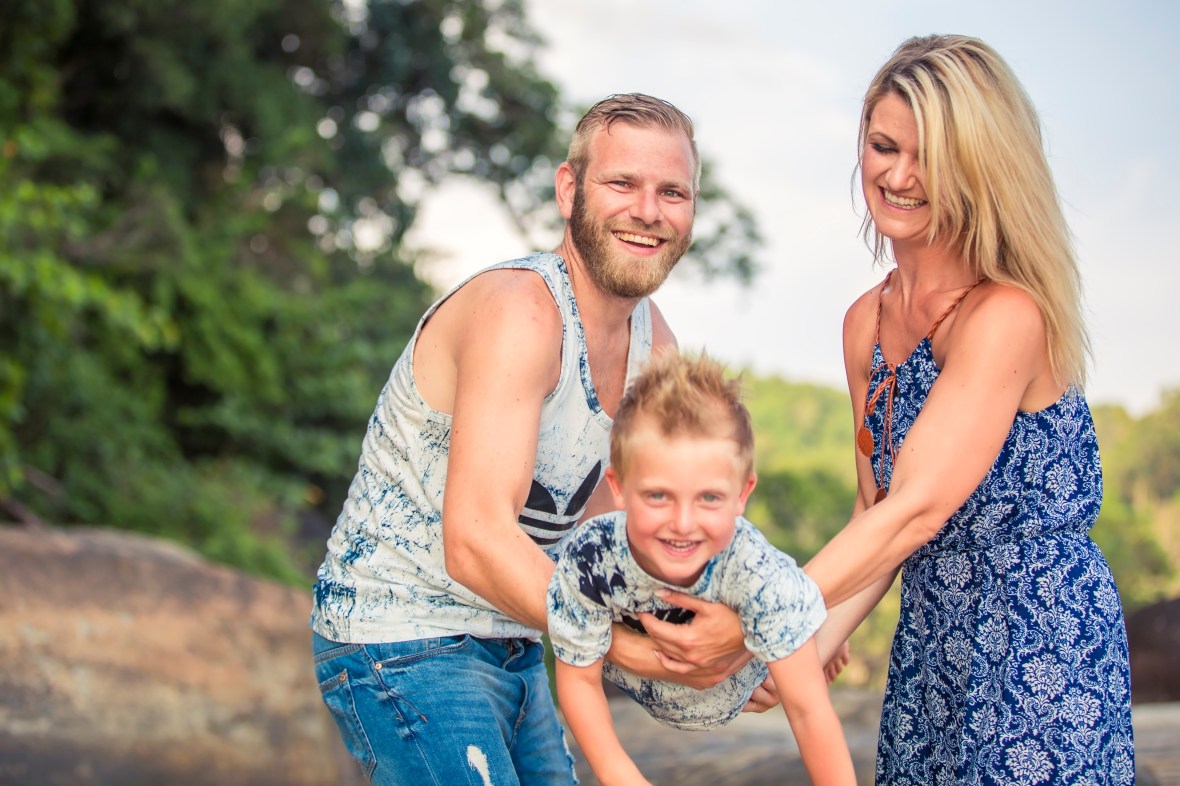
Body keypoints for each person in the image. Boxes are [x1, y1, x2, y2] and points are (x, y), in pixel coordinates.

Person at [307, 94, 760, 786]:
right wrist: (629, 654)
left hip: (514, 638)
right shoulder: (523, 310)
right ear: (568, 189)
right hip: (399, 633)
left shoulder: (653, 347)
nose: (649, 210)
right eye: (623, 184)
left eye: (673, 192)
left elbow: (633, 540)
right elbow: (475, 540)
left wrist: (743, 641)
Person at [805, 34, 1136, 784]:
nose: (898, 174)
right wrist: (805, 645)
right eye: (883, 146)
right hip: (933, 643)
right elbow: (875, 517)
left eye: (930, 155)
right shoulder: (866, 322)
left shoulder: (1008, 313)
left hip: (1042, 639)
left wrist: (768, 615)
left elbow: (917, 508)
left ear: (981, 166)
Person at [548, 351, 857, 786]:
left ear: (742, 494)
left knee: (788, 631)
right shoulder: (592, 558)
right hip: (646, 681)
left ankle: (811, 626)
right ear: (618, 488)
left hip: (747, 677)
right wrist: (622, 776)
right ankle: (803, 619)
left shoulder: (754, 571)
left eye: (709, 498)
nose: (683, 523)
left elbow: (809, 712)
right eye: (658, 496)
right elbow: (578, 682)